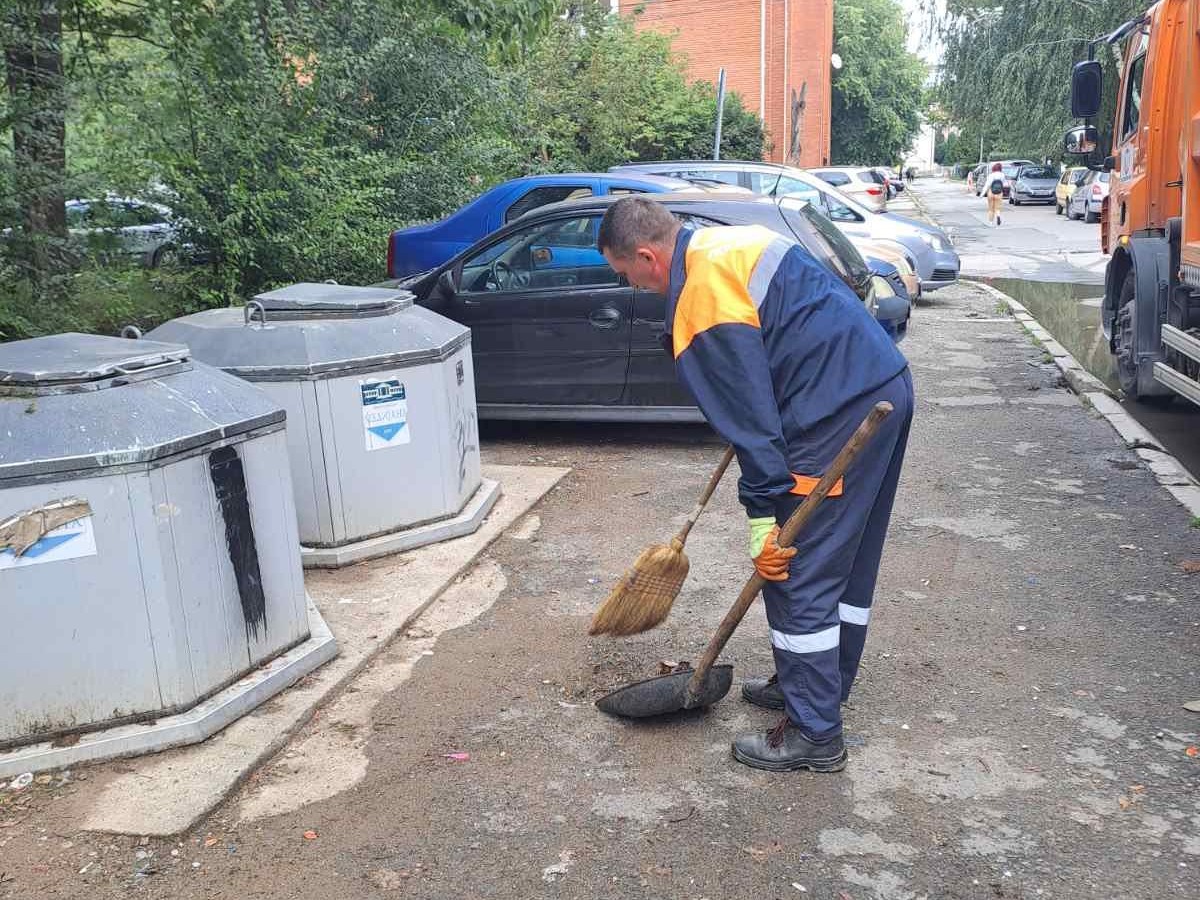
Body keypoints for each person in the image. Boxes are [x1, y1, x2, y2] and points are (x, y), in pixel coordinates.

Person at [597, 197, 914, 773]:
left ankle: (814, 732)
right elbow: (769, 361)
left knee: (794, 572)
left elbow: (753, 425)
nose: (634, 287)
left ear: (646, 255)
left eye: (627, 275)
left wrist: (763, 521)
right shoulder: (731, 243)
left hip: (834, 412)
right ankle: (818, 686)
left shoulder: (700, 297)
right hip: (880, 383)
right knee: (846, 561)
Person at [982, 162, 1005, 226]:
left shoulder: (991, 175)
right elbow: (1004, 184)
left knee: (991, 209)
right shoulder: (1002, 175)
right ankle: (998, 216)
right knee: (997, 208)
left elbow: (987, 185)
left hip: (991, 192)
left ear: (994, 168)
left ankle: (991, 222)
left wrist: (982, 194)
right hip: (999, 193)